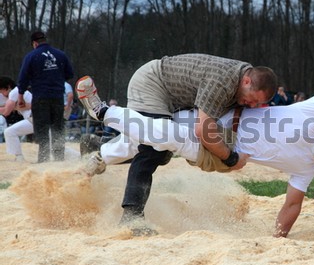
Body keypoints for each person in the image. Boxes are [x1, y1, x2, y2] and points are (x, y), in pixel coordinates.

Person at [80, 76, 314, 237]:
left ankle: (101, 145)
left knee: (160, 139)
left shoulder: (306, 167)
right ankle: (104, 123)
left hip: (221, 152)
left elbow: (292, 204)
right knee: (155, 138)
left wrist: (278, 238)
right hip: (213, 120)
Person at [76, 54, 278, 229]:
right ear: (246, 82)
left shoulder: (243, 84)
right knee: (152, 150)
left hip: (175, 100)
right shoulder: (223, 81)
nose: (252, 105)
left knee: (157, 147)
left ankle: (98, 155)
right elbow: (203, 130)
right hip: (154, 83)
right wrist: (231, 158)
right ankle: (132, 215)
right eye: (252, 99)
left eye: (258, 104)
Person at [17, 31, 74, 162]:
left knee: (42, 131)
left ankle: (44, 160)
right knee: (57, 129)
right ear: (45, 40)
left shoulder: (31, 56)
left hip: (40, 97)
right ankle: (59, 159)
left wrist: (20, 98)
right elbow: (70, 74)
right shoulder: (61, 55)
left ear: (34, 43)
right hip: (58, 98)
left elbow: (23, 79)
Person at [0, 77, 33, 161]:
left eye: (1, 90)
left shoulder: (14, 92)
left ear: (8, 87)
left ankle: (19, 157)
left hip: (34, 118)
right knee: (52, 140)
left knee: (9, 131)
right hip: (36, 118)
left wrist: (16, 108)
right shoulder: (17, 91)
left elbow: (6, 111)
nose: (1, 93)